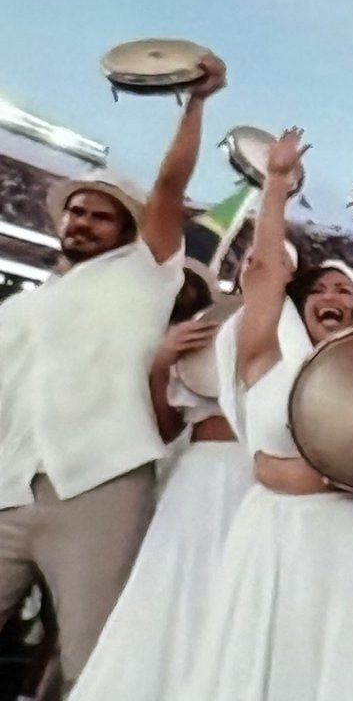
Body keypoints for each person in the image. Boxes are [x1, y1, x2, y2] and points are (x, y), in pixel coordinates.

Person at [182, 129, 353, 701]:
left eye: (347, 292)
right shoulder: (266, 357)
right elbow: (265, 269)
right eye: (320, 288)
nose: (333, 296)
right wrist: (275, 185)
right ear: (300, 303)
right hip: (277, 541)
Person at [0, 54, 225, 692]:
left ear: (130, 232)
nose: (82, 222)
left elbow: (170, 186)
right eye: (76, 212)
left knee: (94, 661)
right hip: (10, 486)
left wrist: (196, 104)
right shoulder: (21, 307)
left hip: (101, 488)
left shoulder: (146, 274)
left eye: (101, 215)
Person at [72, 263, 253, 700]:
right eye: (253, 263)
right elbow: (166, 428)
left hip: (265, 482)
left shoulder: (304, 335)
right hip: (202, 476)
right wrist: (161, 362)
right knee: (174, 589)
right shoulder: (206, 328)